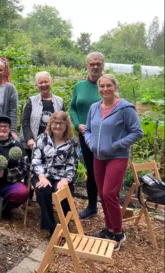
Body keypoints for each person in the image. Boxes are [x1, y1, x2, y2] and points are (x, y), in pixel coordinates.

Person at [86, 74, 143, 250]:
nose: (105, 89)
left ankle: (118, 232)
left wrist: (115, 145)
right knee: (102, 194)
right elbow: (87, 130)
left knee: (109, 193)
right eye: (101, 86)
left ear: (115, 87)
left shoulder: (125, 108)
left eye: (108, 86)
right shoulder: (94, 107)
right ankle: (109, 227)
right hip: (98, 157)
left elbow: (137, 132)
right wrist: (90, 143)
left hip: (117, 156)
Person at [31, 111, 78, 237]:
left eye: (61, 124)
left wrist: (66, 179)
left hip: (61, 176)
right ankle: (50, 226)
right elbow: (36, 160)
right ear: (50, 124)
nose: (57, 126)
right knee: (43, 190)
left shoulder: (72, 142)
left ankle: (64, 224)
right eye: (55, 123)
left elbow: (72, 163)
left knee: (62, 191)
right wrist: (41, 176)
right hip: (42, 173)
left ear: (66, 126)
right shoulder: (42, 138)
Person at [69, 52, 104, 219]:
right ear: (87, 66)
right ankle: (92, 206)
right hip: (85, 136)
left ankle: (107, 205)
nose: (95, 66)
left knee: (103, 171)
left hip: (104, 137)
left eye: (98, 63)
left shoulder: (106, 85)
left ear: (103, 65)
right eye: (92, 64)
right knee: (91, 170)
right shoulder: (79, 86)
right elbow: (73, 108)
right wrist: (77, 124)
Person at [20, 71, 65, 151]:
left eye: (46, 82)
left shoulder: (59, 101)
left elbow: (64, 122)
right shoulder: (31, 101)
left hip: (53, 143)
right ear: (37, 85)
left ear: (51, 82)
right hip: (33, 143)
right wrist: (29, 139)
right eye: (40, 82)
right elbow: (25, 122)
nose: (44, 84)